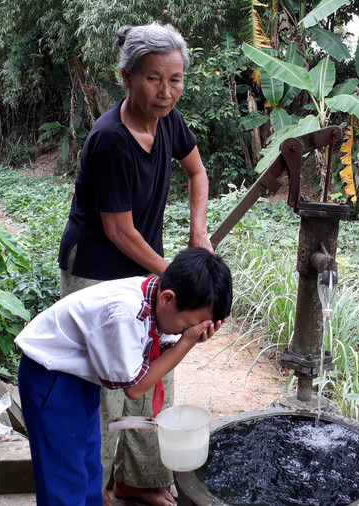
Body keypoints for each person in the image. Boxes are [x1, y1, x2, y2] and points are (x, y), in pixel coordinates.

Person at [56, 22, 212, 506]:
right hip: (96, 272)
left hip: (148, 271)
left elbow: (198, 172)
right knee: (107, 387)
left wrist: (199, 232)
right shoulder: (109, 140)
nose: (166, 92)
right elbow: (118, 230)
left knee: (155, 374)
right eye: (153, 79)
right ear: (127, 76)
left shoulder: (169, 121)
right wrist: (172, 274)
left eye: (176, 79)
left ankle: (140, 480)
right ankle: (95, 488)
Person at [16, 247, 232, 506]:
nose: (188, 332)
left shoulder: (156, 298)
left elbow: (162, 344)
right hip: (49, 377)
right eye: (188, 326)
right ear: (167, 298)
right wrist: (187, 342)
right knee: (63, 473)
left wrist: (185, 335)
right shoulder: (123, 314)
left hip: (79, 378)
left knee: (88, 460)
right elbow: (137, 388)